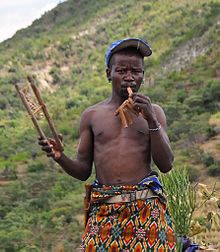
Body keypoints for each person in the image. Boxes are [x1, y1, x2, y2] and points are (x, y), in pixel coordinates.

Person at [39, 38, 176, 251]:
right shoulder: (92, 116)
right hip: (104, 210)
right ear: (108, 74)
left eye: (136, 71)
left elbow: (166, 164)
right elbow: (83, 170)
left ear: (143, 75)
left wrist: (151, 120)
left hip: (146, 209)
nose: (129, 77)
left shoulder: (154, 112)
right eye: (122, 71)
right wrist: (60, 157)